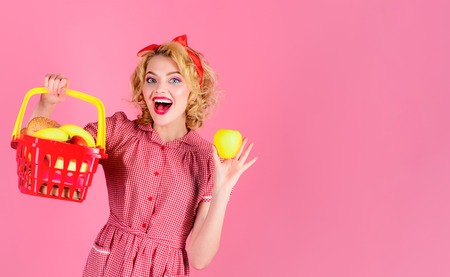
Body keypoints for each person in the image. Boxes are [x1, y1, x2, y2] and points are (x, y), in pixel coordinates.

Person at [30, 34, 257, 276]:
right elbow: (50, 160)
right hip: (111, 264)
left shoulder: (205, 158)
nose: (160, 88)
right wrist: (47, 104)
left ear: (194, 91)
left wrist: (223, 191)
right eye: (151, 79)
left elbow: (199, 259)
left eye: (174, 81)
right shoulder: (118, 132)